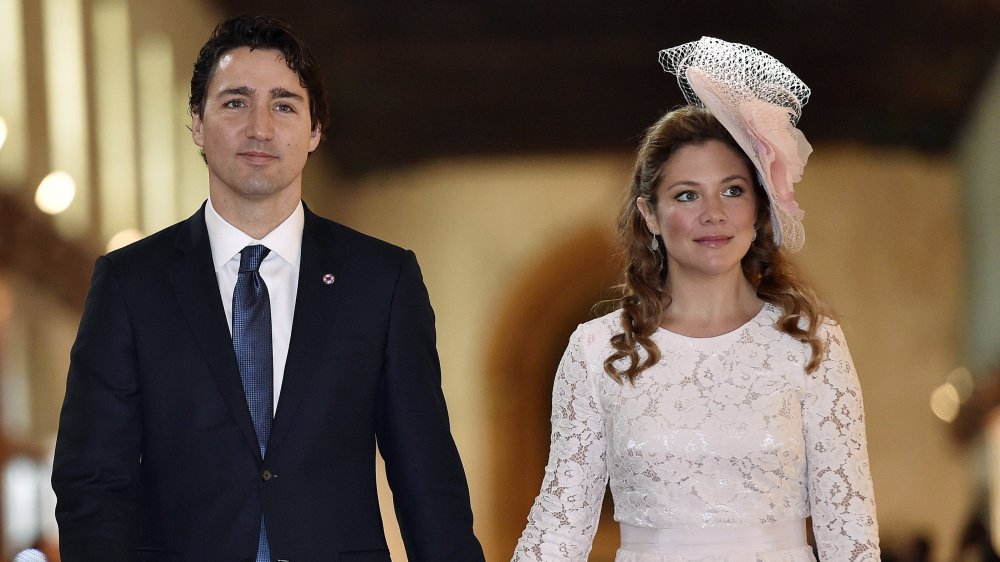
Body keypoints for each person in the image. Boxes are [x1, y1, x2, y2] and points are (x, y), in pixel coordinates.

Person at [51, 14, 485, 562]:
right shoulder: (129, 283)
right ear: (196, 123)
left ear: (314, 131)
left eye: (284, 105)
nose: (259, 127)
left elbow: (427, 476)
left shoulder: (382, 280)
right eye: (235, 102)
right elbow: (92, 480)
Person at [511, 37, 879, 561]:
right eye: (687, 194)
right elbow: (560, 525)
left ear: (760, 208)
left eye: (732, 190)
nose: (714, 213)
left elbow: (851, 532)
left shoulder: (813, 346)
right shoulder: (597, 352)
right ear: (651, 215)